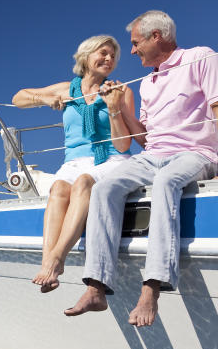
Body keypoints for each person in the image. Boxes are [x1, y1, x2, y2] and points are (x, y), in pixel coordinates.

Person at [65, 10, 218, 326]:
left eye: (135, 43)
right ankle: (96, 287)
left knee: (166, 183)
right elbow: (144, 139)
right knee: (104, 188)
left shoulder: (201, 57)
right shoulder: (147, 83)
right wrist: (116, 108)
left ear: (156, 36)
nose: (131, 51)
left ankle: (152, 287)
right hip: (153, 155)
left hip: (194, 153)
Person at [12, 35, 135, 292]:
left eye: (113, 56)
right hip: (74, 160)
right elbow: (18, 98)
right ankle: (47, 262)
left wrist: (113, 107)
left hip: (111, 157)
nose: (109, 59)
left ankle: (56, 260)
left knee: (83, 183)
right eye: (103, 53)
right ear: (86, 57)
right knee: (58, 190)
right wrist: (43, 100)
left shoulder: (121, 90)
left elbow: (124, 145)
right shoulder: (67, 89)